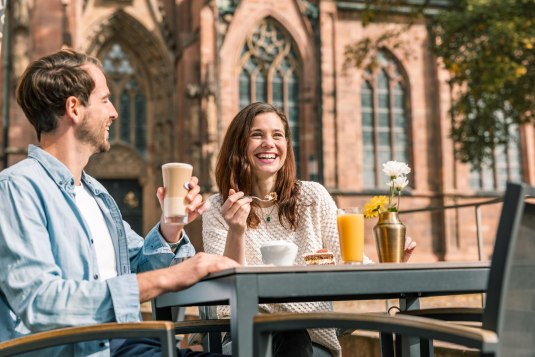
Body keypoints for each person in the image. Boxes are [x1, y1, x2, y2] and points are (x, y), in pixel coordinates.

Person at [0, 48, 238, 357]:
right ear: (74, 107)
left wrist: (170, 227)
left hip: (133, 343)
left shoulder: (95, 193)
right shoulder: (17, 188)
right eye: (104, 100)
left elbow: (137, 264)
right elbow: (40, 302)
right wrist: (172, 275)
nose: (114, 112)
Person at [202, 102, 416, 357]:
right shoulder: (218, 207)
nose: (269, 143)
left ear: (286, 146)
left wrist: (394, 265)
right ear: (238, 144)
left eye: (277, 135)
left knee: (293, 333)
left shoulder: (312, 196)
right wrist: (236, 230)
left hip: (313, 337)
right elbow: (224, 294)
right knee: (285, 334)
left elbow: (352, 261)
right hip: (246, 334)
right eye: (256, 134)